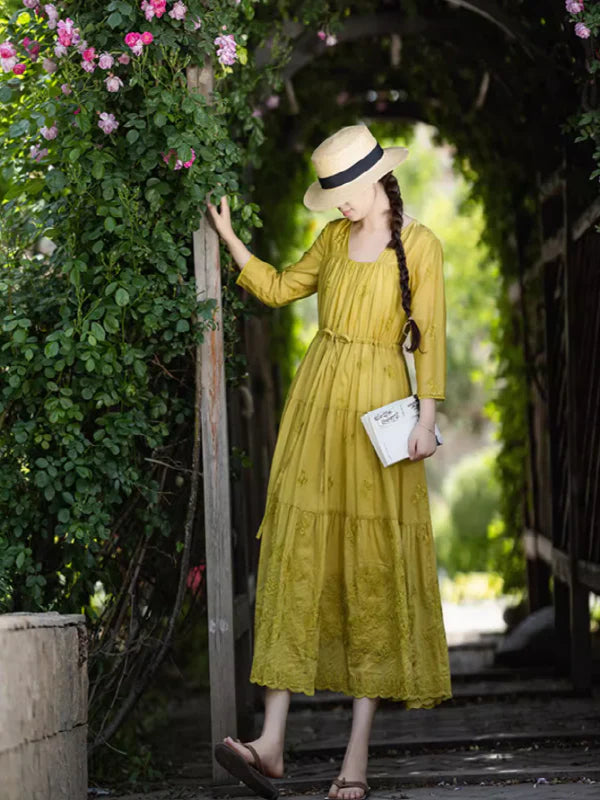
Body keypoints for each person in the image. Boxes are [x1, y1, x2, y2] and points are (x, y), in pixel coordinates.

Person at [206, 124, 451, 800]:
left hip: (381, 421)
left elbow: (428, 337)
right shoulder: (333, 242)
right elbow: (282, 288)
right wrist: (231, 241)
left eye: (347, 188)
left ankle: (356, 760)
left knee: (369, 569)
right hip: (317, 414)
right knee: (299, 556)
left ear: (377, 177)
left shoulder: (420, 245)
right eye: (332, 191)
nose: (340, 202)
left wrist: (427, 422)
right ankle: (272, 741)